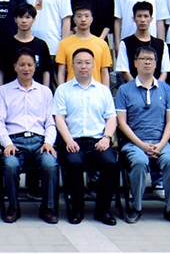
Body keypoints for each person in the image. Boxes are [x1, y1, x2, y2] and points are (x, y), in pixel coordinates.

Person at [115, 46, 170, 225]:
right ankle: (136, 207)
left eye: (151, 59)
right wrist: (142, 145)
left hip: (161, 142)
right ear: (135, 63)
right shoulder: (124, 90)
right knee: (139, 162)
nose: (147, 62)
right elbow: (121, 122)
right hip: (134, 143)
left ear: (156, 64)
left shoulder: (166, 89)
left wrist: (161, 145)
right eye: (143, 59)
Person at [53, 48, 118, 226]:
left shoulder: (103, 91)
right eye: (79, 62)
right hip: (73, 141)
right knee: (73, 163)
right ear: (72, 65)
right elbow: (59, 118)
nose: (83, 66)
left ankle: (103, 210)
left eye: (87, 63)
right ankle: (77, 209)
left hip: (98, 141)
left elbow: (111, 117)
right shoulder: (63, 90)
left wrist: (107, 138)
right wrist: (68, 140)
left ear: (93, 65)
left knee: (111, 163)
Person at [0, 50, 58, 224]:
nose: (26, 68)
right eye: (22, 65)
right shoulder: (3, 91)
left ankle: (48, 208)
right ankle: (13, 207)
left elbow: (50, 123)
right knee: (11, 165)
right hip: (14, 141)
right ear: (14, 66)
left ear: (35, 67)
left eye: (30, 65)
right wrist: (7, 143)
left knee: (50, 164)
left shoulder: (45, 92)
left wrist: (48, 142)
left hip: (39, 141)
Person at [55, 5, 113, 87]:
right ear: (74, 20)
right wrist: (61, 90)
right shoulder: (64, 43)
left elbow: (105, 73)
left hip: (95, 90)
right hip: (71, 90)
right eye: (79, 16)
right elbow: (61, 73)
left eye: (86, 16)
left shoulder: (102, 44)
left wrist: (105, 92)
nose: (83, 19)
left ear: (91, 19)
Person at [0, 3, 52, 88]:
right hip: (10, 92)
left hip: (35, 92)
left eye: (27, 17)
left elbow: (46, 71)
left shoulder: (41, 45)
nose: (24, 21)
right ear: (15, 19)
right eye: (20, 17)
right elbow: (0, 71)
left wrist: (45, 92)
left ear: (34, 19)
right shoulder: (5, 45)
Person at [114, 2, 170, 83]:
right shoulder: (125, 43)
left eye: (146, 16)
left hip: (156, 88)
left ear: (151, 19)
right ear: (134, 19)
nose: (143, 20)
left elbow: (164, 71)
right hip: (132, 88)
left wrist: (155, 87)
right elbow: (125, 71)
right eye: (139, 16)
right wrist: (137, 87)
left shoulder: (161, 44)